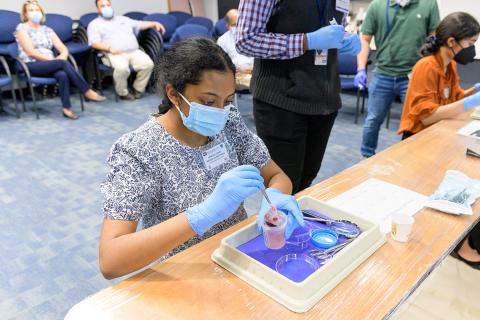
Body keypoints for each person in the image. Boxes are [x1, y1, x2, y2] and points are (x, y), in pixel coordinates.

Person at [99, 38, 304, 279]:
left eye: (227, 101)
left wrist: (277, 198)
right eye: (208, 102)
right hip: (183, 270)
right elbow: (111, 260)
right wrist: (203, 214)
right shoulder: (138, 150)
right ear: (174, 95)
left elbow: (277, 176)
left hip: (233, 254)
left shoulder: (229, 122)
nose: (220, 111)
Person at [235, 0, 361, 194]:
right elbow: (246, 40)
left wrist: (345, 38)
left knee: (307, 179)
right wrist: (306, 41)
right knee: (284, 186)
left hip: (324, 100)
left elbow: (335, 25)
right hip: (280, 101)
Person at [356, 0, 440, 157]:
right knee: (373, 121)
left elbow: (434, 39)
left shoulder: (428, 4)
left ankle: (410, 158)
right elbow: (365, 39)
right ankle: (366, 156)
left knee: (416, 122)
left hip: (413, 76)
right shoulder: (377, 5)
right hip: (383, 73)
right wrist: (361, 68)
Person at [15, 0, 106, 120]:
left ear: (41, 13)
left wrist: (63, 55)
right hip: (30, 64)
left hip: (50, 64)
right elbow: (30, 52)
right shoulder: (21, 29)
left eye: (37, 10)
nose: (35, 12)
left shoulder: (47, 29)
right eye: (31, 10)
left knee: (62, 74)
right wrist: (52, 59)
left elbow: (63, 48)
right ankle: (87, 91)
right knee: (62, 64)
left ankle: (66, 109)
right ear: (25, 14)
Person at [398, 12, 480, 139]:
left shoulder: (450, 64)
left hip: (437, 129)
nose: (472, 48)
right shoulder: (426, 66)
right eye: (470, 44)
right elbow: (427, 117)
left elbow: (455, 98)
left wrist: (474, 90)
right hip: (417, 136)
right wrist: (470, 101)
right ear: (451, 41)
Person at [88, 0, 165, 100]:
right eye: (102, 6)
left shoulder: (123, 19)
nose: (106, 8)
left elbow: (140, 24)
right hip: (113, 53)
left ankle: (138, 89)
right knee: (121, 68)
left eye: (108, 5)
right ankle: (123, 93)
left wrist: (154, 23)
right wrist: (109, 48)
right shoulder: (94, 24)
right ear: (98, 9)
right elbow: (94, 43)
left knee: (148, 64)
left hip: (133, 51)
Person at [217, 9, 253, 91]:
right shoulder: (222, 41)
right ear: (228, 26)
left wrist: (253, 68)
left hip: (254, 74)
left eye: (240, 23)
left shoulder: (252, 37)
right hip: (235, 76)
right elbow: (221, 64)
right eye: (235, 24)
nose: (239, 27)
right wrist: (237, 69)